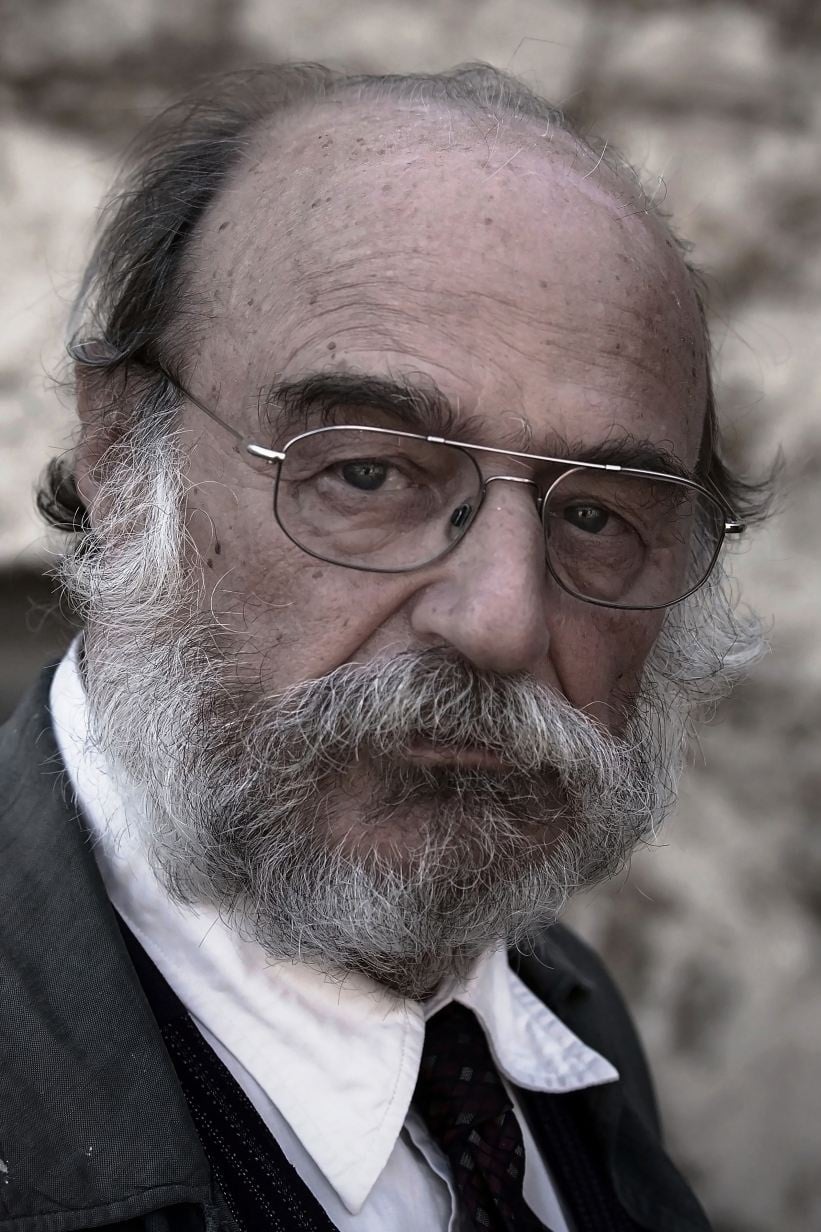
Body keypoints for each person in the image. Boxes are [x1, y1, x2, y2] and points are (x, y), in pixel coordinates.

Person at [1, 63, 770, 1232]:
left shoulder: (559, 1019)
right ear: (115, 452)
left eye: (594, 513)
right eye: (366, 472)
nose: (501, 620)